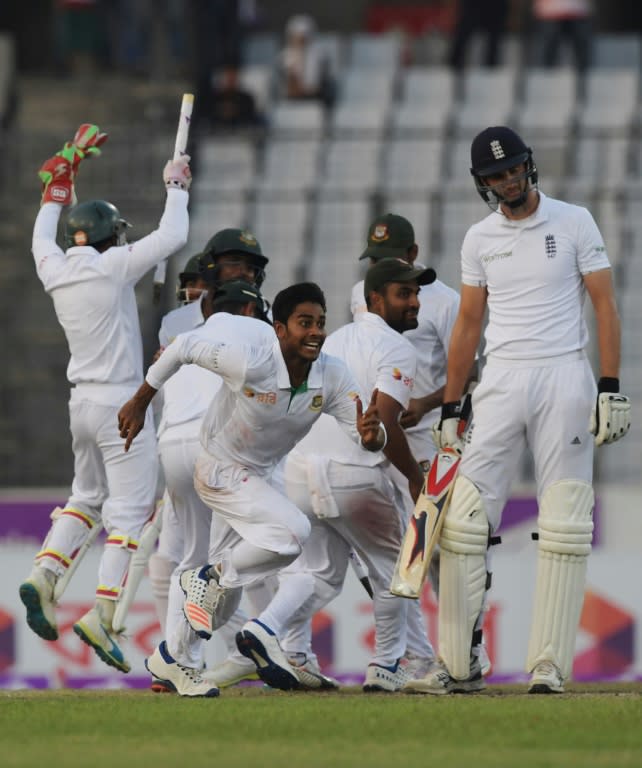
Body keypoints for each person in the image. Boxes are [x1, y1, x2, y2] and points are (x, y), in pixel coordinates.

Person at [406, 125, 630, 695]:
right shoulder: (479, 238)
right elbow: (469, 324)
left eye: (513, 170)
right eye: (495, 176)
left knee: (564, 521)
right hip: (501, 379)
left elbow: (605, 305)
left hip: (564, 373)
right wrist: (451, 406)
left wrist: (609, 385)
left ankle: (549, 666)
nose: (508, 182)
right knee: (461, 522)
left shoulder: (574, 220)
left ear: (528, 167)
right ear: (482, 183)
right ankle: (458, 666)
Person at [117, 282, 387, 696]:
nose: (315, 331)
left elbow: (365, 435)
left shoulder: (331, 374)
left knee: (223, 604)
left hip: (256, 475)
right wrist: (139, 401)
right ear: (279, 329)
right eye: (303, 323)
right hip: (219, 468)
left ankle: (171, 659)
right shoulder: (251, 362)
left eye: (319, 323)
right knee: (293, 531)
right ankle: (208, 577)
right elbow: (182, 347)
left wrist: (374, 437)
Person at [19, 124, 191, 674]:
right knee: (130, 513)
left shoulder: (54, 268)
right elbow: (172, 236)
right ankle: (103, 613)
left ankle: (43, 576)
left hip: (81, 405)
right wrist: (177, 183)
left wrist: (63, 175)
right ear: (109, 237)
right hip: (122, 405)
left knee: (85, 496)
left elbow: (43, 228)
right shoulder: (114, 265)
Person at [266, 257, 439, 692]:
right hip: (355, 474)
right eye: (405, 293)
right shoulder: (398, 348)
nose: (415, 302)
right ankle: (386, 665)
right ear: (375, 299)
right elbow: (387, 423)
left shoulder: (333, 339)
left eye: (417, 293)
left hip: (302, 471)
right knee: (393, 572)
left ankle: (290, 651)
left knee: (316, 577)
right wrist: (416, 481)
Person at [148, 230, 270, 692]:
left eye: (249, 263)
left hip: (172, 444)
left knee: (190, 561)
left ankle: (180, 659)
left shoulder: (190, 330)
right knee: (228, 563)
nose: (244, 271)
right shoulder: (258, 324)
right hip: (214, 445)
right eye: (234, 262)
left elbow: (157, 377)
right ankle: (261, 644)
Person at [279, 14, 335, 107]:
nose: (300, 39)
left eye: (304, 36)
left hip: (315, 97)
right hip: (292, 98)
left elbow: (318, 85)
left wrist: (307, 89)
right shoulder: (285, 55)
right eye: (297, 35)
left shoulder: (320, 55)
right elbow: (288, 84)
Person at [530, 0, 594, 74]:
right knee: (548, 47)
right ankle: (546, 75)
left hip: (578, 11)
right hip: (550, 12)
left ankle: (583, 74)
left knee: (582, 48)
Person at [448, 0, 510, 70]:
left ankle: (490, 71)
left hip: (496, 5)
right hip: (474, 4)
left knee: (494, 43)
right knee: (463, 36)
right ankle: (452, 68)